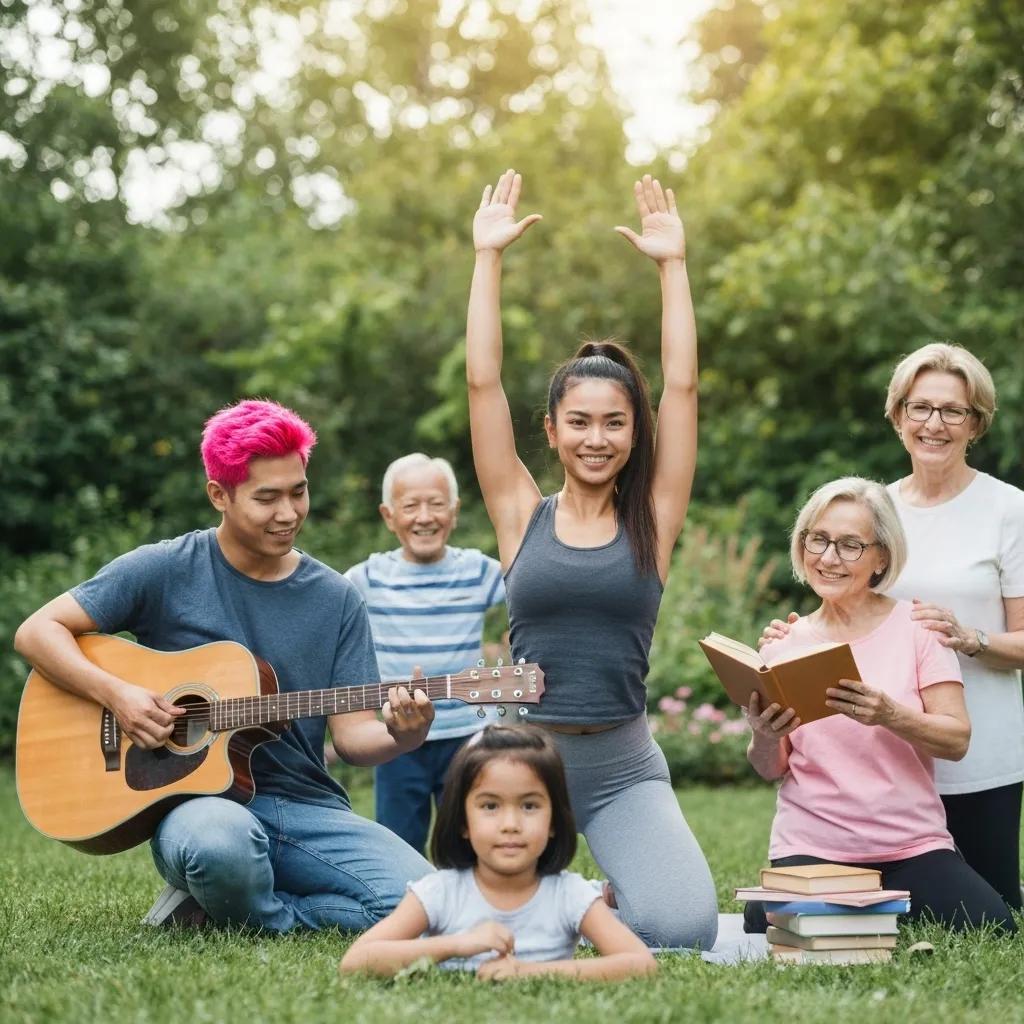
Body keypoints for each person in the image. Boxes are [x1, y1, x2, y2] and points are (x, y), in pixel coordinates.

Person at [14, 399, 434, 931]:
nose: (288, 513)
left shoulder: (336, 598)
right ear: (220, 495)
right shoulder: (164, 568)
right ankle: (235, 886)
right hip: (200, 809)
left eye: (298, 491)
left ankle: (227, 908)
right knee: (221, 845)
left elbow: (354, 739)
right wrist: (117, 695)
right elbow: (36, 633)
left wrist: (405, 735)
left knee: (427, 904)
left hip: (307, 808)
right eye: (267, 497)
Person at [463, 169, 718, 950]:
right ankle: (565, 892)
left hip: (620, 766)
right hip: (520, 761)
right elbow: (482, 381)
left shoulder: (654, 518)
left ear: (635, 433)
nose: (597, 437)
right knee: (480, 934)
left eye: (615, 422)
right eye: (579, 421)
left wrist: (672, 267)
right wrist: (487, 259)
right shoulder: (517, 513)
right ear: (552, 430)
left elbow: (681, 384)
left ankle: (579, 898)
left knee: (684, 927)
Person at [762, 343, 1024, 911]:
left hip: (975, 753)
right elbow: (839, 602)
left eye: (953, 410)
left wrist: (970, 638)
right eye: (919, 407)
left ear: (975, 422)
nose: (934, 423)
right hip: (877, 765)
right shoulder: (872, 508)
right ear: (898, 414)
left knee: (991, 910)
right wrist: (791, 643)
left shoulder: (1008, 509)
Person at [744, 477, 1014, 933]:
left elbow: (956, 739)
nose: (829, 558)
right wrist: (764, 736)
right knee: (764, 922)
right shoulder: (781, 645)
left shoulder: (917, 629)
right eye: (819, 540)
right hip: (816, 844)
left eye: (850, 545)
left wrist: (890, 715)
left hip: (911, 846)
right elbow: (772, 767)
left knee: (992, 924)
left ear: (881, 557)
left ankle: (874, 908)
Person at [340, 724, 657, 979]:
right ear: (463, 821)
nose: (511, 824)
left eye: (529, 806)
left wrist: (528, 972)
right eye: (490, 806)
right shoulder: (439, 892)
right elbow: (357, 961)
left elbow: (639, 963)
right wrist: (459, 944)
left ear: (553, 821)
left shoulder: (569, 895)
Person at [342, 452, 506, 855]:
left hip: (467, 736)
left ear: (453, 511)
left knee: (469, 840)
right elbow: (322, 614)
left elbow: (534, 594)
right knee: (399, 845)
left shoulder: (479, 572)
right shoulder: (366, 578)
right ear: (389, 515)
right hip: (395, 737)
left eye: (436, 504)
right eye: (410, 506)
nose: (424, 516)